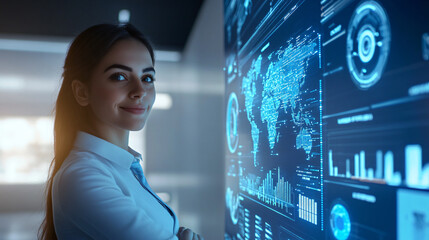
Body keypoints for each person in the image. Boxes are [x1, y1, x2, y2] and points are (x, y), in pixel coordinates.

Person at [38, 23, 204, 240]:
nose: (139, 91)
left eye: (147, 78)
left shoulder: (121, 167)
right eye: (119, 76)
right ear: (82, 92)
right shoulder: (82, 177)